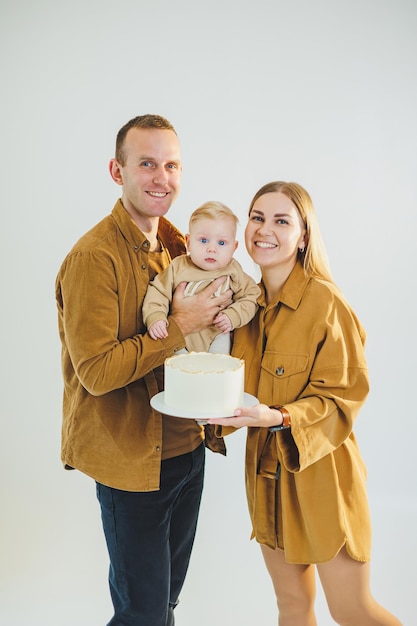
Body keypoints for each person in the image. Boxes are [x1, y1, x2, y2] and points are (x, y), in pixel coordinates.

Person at [55, 114, 231, 626]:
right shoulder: (94, 258)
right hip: (132, 463)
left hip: (187, 450)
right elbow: (96, 372)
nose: (161, 177)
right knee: (142, 613)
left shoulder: (183, 247)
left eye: (171, 165)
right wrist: (179, 324)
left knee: (165, 603)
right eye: (147, 164)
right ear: (118, 171)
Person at [209, 181, 402, 625]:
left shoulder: (326, 302)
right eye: (257, 217)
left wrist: (277, 416)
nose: (265, 229)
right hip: (265, 475)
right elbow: (229, 380)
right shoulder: (245, 308)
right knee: (293, 607)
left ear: (304, 235)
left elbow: (344, 397)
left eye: (281, 220)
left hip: (322, 476)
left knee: (352, 609)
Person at [142, 200, 261, 354]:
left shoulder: (233, 271)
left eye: (222, 243)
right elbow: (157, 291)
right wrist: (155, 317)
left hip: (217, 335)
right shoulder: (178, 267)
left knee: (218, 368)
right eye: (203, 240)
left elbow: (252, 296)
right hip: (181, 340)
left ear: (234, 247)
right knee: (179, 369)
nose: (211, 249)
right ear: (189, 242)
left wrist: (234, 315)